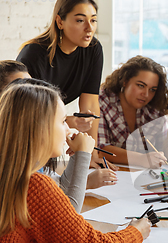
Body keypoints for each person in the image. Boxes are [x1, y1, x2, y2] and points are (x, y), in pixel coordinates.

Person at [0, 81, 151, 243]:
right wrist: (137, 231)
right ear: (40, 127)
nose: (68, 128)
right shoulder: (33, 186)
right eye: (63, 121)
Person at [16, 0, 112, 169]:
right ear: (60, 21)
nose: (90, 28)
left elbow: (90, 105)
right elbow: (26, 115)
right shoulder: (34, 54)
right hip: (23, 141)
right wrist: (67, 121)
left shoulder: (93, 49)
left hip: (48, 132)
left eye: (93, 20)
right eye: (80, 20)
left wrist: (91, 154)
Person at [0, 62, 117, 208]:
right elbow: (69, 215)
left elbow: (60, 192)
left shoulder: (33, 159)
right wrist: (82, 155)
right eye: (21, 88)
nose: (32, 92)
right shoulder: (27, 176)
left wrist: (77, 156)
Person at [98, 56, 168, 168]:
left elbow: (164, 151)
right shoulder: (102, 101)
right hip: (109, 174)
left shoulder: (155, 111)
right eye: (141, 85)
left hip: (143, 177)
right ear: (125, 81)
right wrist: (141, 159)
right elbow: (101, 150)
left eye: (152, 90)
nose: (146, 94)